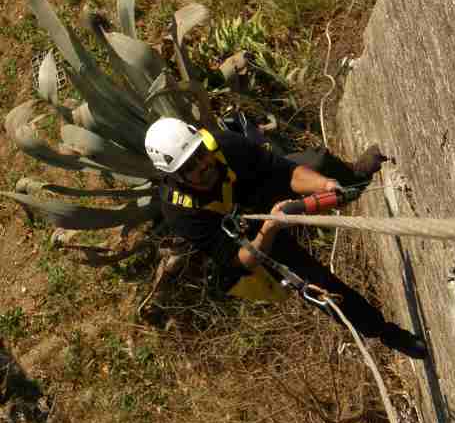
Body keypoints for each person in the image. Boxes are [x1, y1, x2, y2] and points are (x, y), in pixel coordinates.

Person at [145, 117, 427, 359]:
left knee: (317, 163)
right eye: (190, 167)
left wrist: (325, 186)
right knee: (318, 286)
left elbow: (282, 170)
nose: (202, 167)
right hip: (251, 237)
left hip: (259, 191)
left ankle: (352, 177)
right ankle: (386, 333)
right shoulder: (180, 213)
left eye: (200, 155)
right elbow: (237, 261)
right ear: (175, 176)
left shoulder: (225, 146)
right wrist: (269, 228)